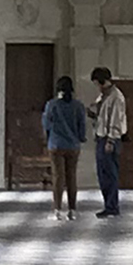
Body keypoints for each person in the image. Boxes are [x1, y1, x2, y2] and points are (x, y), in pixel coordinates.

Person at [41, 74, 88, 222]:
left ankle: (57, 210)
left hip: (56, 145)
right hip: (73, 146)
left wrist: (48, 139)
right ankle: (72, 210)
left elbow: (47, 125)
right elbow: (82, 126)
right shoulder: (78, 106)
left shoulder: (52, 105)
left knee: (58, 178)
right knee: (71, 177)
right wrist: (80, 138)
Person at [88, 66, 128, 218]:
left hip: (109, 139)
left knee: (110, 174)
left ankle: (112, 206)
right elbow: (103, 116)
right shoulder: (104, 96)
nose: (97, 87)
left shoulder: (116, 97)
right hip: (101, 137)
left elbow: (116, 120)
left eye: (97, 83)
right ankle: (108, 204)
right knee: (102, 174)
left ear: (102, 81)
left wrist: (111, 140)